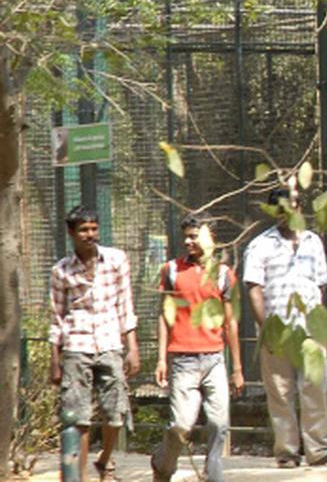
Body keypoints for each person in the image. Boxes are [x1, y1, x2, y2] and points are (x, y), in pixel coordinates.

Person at [243, 187, 327, 468]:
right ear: (274, 211)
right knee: (281, 392)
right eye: (282, 208)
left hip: (310, 330)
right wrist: (266, 330)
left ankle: (319, 449)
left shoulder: (313, 242)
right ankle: (287, 451)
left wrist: (322, 329)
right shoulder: (259, 245)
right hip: (277, 331)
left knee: (315, 387)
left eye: (294, 206)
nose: (289, 213)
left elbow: (321, 286)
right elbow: (254, 290)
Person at [150, 213, 244, 482]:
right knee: (181, 425)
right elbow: (164, 315)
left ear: (210, 238)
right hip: (183, 359)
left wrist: (237, 368)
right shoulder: (171, 270)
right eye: (187, 236)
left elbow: (230, 323)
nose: (189, 241)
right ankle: (162, 463)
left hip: (214, 358)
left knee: (218, 423)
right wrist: (161, 359)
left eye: (195, 236)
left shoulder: (224, 274)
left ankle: (213, 475)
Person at [48, 206, 140, 482]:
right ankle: (80, 475)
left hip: (111, 341)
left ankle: (104, 460)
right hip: (77, 344)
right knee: (79, 417)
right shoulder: (61, 271)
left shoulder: (116, 260)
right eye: (83, 230)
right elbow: (57, 316)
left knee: (116, 414)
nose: (90, 235)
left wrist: (132, 347)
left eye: (93, 229)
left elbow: (126, 305)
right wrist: (55, 359)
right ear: (71, 233)